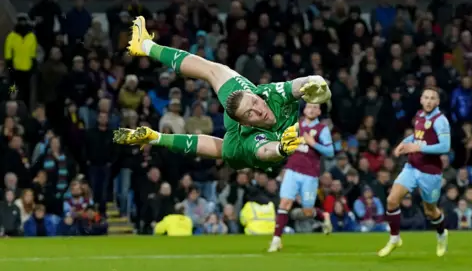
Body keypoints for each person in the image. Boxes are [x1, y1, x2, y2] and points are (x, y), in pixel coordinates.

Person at [113, 16, 331, 172]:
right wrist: (282, 149)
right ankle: (158, 138)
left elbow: (295, 86)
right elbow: (266, 151)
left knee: (214, 70)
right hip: (243, 150)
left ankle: (145, 46)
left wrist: (313, 82)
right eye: (252, 113)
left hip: (239, 103)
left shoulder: (264, 94)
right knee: (223, 150)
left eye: (256, 103)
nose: (259, 109)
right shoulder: (249, 138)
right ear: (246, 123)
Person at [378, 88, 451, 258]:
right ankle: (395, 238)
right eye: (426, 97)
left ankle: (441, 234)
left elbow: (445, 146)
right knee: (392, 200)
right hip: (412, 166)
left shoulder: (440, 121)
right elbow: (417, 136)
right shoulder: (419, 115)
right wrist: (403, 144)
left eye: (433, 98)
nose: (429, 101)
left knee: (430, 211)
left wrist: (419, 147)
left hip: (430, 172)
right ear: (421, 100)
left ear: (437, 102)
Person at [268, 103, 334, 253]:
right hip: (292, 170)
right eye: (309, 107)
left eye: (315, 107)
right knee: (284, 203)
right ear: (304, 110)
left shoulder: (321, 129)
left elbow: (330, 152)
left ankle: (323, 215)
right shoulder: (295, 126)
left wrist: (314, 144)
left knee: (307, 211)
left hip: (310, 174)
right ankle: (276, 239)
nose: (311, 109)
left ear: (319, 111)